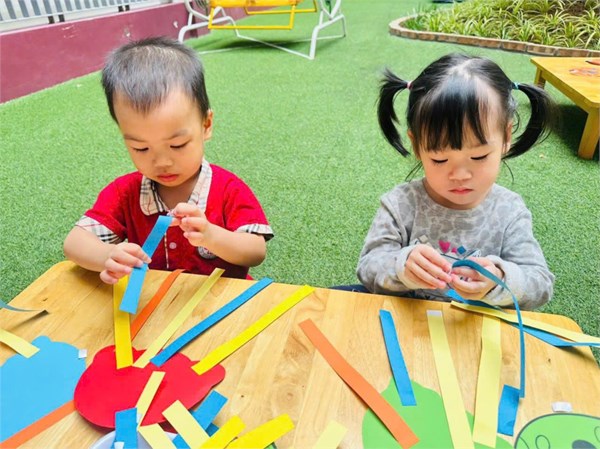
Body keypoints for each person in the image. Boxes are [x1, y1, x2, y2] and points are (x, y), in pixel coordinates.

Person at [64, 37, 273, 284]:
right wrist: (107, 255)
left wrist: (211, 235)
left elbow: (255, 251)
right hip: (155, 303)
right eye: (141, 148)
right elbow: (74, 243)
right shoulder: (125, 193)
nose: (162, 162)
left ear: (206, 125)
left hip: (223, 301)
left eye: (177, 145)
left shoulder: (227, 189)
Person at [356, 53, 555, 310]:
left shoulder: (509, 211)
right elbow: (368, 266)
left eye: (479, 156)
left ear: (506, 137)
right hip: (407, 322)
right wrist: (401, 267)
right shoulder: (401, 203)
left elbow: (540, 283)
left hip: (475, 328)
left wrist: (499, 279)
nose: (460, 175)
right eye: (439, 159)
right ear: (417, 146)